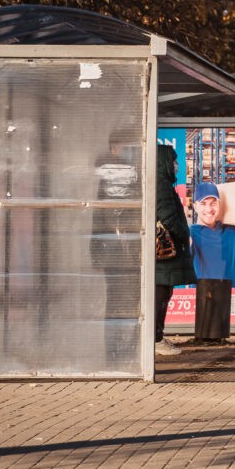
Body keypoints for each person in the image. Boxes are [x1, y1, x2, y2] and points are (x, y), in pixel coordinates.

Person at [92, 129, 141, 366]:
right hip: (114, 253)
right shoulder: (105, 179)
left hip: (130, 252)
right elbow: (97, 219)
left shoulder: (134, 179)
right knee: (115, 303)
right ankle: (113, 351)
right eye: (125, 148)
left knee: (131, 303)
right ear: (114, 149)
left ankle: (128, 349)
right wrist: (97, 253)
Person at [188, 182, 235, 345]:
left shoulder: (233, 231)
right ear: (195, 206)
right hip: (203, 302)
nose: (209, 209)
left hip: (230, 300)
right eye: (203, 204)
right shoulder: (191, 233)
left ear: (220, 205)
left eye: (213, 203)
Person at [155, 143, 197, 357]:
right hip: (164, 253)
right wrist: (182, 233)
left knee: (164, 293)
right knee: (160, 294)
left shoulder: (162, 183)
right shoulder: (161, 184)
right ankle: (155, 338)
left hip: (165, 255)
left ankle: (158, 335)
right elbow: (167, 216)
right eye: (173, 160)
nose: (177, 165)